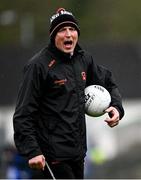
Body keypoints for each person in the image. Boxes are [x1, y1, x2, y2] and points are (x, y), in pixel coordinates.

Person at [13, 8, 124, 179]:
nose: (68, 34)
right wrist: (32, 151)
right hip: (50, 158)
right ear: (53, 35)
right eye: (62, 30)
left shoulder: (84, 59)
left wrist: (116, 107)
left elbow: (107, 81)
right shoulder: (38, 66)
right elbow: (23, 114)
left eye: (72, 29)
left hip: (78, 155)